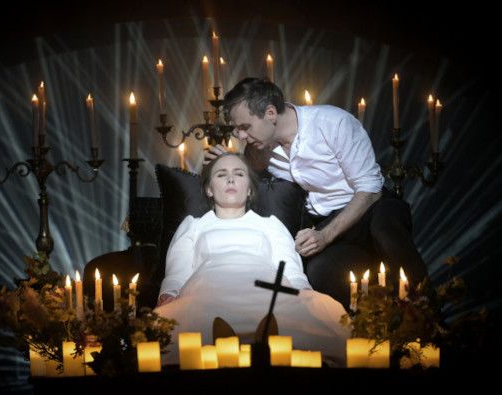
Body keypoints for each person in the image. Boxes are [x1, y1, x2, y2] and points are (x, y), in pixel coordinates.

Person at [205, 77, 428, 308]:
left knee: (385, 229)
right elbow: (246, 170)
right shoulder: (259, 147)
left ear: (270, 113)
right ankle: (373, 328)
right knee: (320, 271)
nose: (239, 136)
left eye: (245, 127)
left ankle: (428, 312)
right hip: (328, 220)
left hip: (371, 206)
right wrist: (224, 161)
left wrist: (325, 236)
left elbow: (370, 190)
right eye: (237, 129)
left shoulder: (333, 122)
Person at [155, 153, 350, 367]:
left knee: (324, 316)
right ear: (209, 189)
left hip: (266, 285)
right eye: (221, 175)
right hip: (210, 285)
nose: (230, 179)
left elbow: (290, 268)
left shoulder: (270, 224)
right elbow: (177, 270)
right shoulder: (194, 225)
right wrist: (169, 293)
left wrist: (304, 291)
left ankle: (264, 343)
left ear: (249, 189)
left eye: (238, 174)